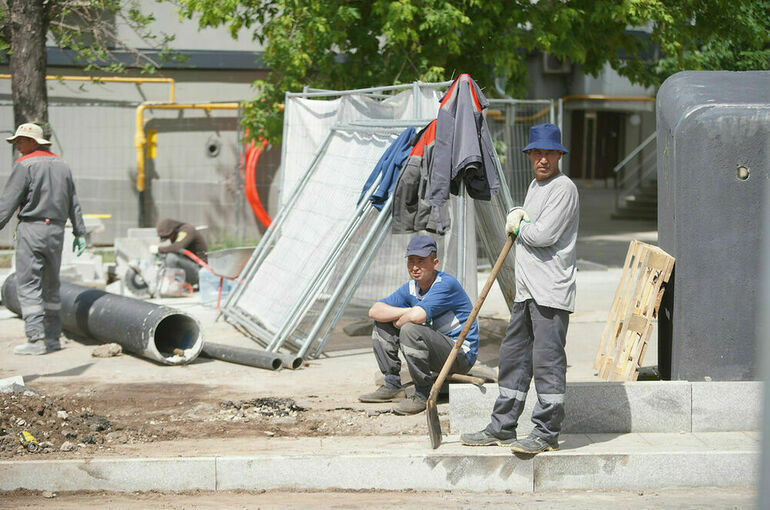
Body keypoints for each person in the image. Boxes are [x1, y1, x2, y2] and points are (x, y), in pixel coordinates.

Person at [461, 123, 578, 454]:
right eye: (537, 153)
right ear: (529, 156)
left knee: (547, 362)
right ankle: (503, 426)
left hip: (551, 293)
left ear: (558, 155)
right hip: (527, 293)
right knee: (513, 358)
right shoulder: (535, 186)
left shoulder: (563, 188)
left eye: (548, 153)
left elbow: (542, 236)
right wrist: (522, 222)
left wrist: (519, 223)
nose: (542, 159)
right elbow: (531, 230)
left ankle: (545, 432)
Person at [358, 235, 479, 415]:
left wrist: (405, 317)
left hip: (459, 354)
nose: (414, 267)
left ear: (435, 263)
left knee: (409, 329)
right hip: (438, 351)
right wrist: (404, 315)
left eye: (421, 261)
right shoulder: (412, 287)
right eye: (411, 261)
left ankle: (423, 394)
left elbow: (417, 316)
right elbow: (374, 310)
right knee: (382, 324)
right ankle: (392, 385)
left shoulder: (445, 284)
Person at [0, 123, 87, 355]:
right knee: (51, 283)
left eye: (21, 141)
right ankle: (52, 337)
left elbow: (7, 202)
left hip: (33, 228)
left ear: (33, 142)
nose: (17, 146)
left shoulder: (24, 165)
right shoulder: (63, 165)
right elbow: (73, 202)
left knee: (28, 284)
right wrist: (80, 232)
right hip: (57, 231)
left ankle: (36, 339)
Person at [150, 218, 208, 287]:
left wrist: (159, 249)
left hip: (199, 271)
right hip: (190, 266)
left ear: (173, 231)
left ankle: (173, 285)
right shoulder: (178, 233)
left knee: (171, 258)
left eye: (169, 237)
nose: (170, 239)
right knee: (164, 256)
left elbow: (177, 247)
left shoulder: (187, 230)